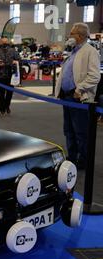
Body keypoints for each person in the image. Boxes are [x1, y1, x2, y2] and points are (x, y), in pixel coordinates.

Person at [55, 23, 100, 170]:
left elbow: (94, 76)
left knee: (80, 130)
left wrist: (80, 89)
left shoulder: (90, 51)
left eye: (72, 33)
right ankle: (72, 156)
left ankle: (83, 159)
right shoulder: (73, 51)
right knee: (68, 129)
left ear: (80, 36)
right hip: (67, 97)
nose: (70, 36)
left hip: (78, 98)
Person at [0, 37, 20, 116]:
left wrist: (15, 62)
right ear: (0, 43)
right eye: (3, 42)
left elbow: (19, 60)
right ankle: (2, 109)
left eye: (5, 42)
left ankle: (6, 107)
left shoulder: (13, 51)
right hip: (1, 76)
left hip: (11, 75)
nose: (4, 44)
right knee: (1, 94)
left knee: (9, 93)